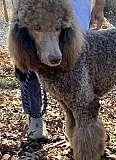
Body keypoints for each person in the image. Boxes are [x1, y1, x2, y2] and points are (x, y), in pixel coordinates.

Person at [13, 0, 105, 140]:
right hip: (28, 10)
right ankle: (35, 117)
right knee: (28, 69)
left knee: (81, 91)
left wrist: (99, 6)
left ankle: (85, 133)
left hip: (72, 15)